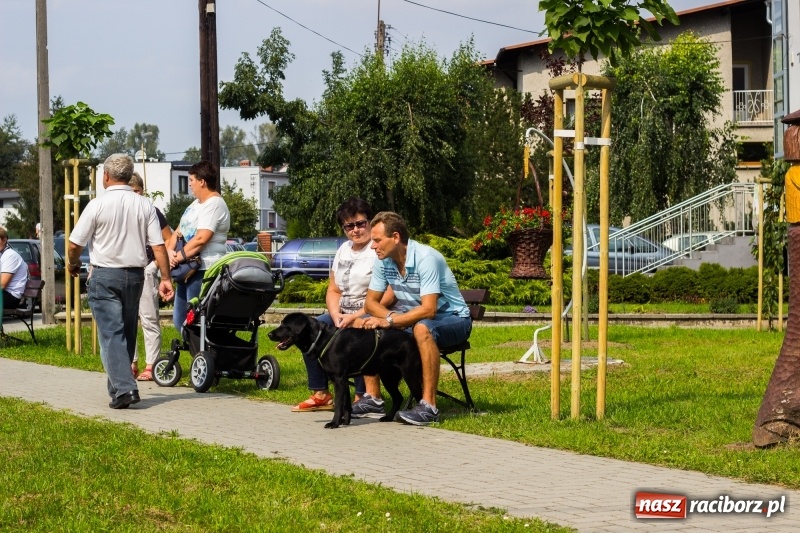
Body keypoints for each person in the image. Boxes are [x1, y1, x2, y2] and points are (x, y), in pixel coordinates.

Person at [67, 154, 174, 409]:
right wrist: (166, 278)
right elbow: (158, 246)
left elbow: (73, 244)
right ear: (128, 176)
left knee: (112, 334)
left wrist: (72, 264)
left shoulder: (97, 205)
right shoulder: (144, 205)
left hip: (104, 275)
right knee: (125, 332)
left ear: (105, 176)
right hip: (135, 276)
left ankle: (126, 389)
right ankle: (117, 391)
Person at [363, 211, 472, 426]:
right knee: (368, 325)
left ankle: (429, 407)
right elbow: (370, 303)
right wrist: (390, 317)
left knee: (422, 328)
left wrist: (391, 321)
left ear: (395, 237)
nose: (372, 246)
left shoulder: (426, 258)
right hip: (415, 320)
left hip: (454, 319)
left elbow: (429, 310)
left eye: (376, 240)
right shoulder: (383, 261)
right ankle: (373, 399)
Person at [293, 197, 397, 414]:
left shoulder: (378, 249)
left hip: (369, 311)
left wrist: (357, 315)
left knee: (358, 333)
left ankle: (363, 396)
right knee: (308, 331)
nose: (356, 230)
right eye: (349, 226)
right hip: (342, 312)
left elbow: (390, 294)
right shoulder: (343, 251)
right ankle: (321, 393)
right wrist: (335, 314)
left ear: (370, 222)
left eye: (361, 223)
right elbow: (333, 289)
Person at [165, 160, 230, 332]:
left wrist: (176, 258)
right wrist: (169, 253)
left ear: (202, 181)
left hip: (203, 268)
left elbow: (202, 238)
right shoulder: (195, 205)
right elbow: (178, 231)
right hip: (186, 268)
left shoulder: (214, 204)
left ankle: (204, 356)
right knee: (181, 321)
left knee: (194, 322)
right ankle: (198, 355)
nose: (189, 185)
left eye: (191, 180)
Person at [128, 173, 172, 381]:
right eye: (130, 191)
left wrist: (155, 265)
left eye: (136, 191)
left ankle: (151, 364)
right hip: (128, 266)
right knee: (127, 319)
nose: (134, 195)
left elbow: (168, 239)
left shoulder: (152, 212)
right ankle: (131, 361)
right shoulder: (123, 212)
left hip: (146, 268)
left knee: (148, 317)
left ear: (142, 191)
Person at [1, 226, 29, 311]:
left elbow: (2, 285)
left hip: (11, 297)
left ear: (4, 239)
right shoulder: (3, 255)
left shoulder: (10, 255)